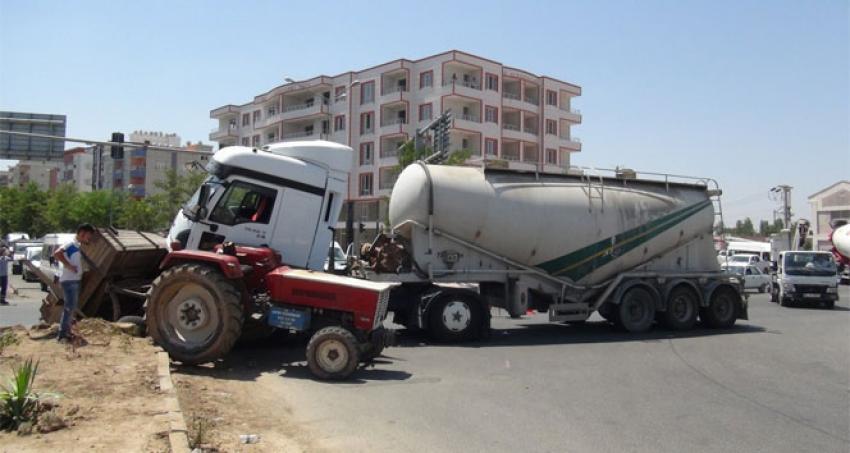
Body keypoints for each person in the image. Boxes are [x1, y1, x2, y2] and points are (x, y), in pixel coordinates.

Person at [54, 224, 95, 342]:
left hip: (74, 280)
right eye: (88, 236)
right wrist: (69, 266)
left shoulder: (77, 246)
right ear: (82, 233)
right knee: (69, 307)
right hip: (69, 280)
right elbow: (57, 253)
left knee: (71, 307)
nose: (89, 238)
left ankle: (67, 331)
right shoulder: (71, 244)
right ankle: (62, 334)